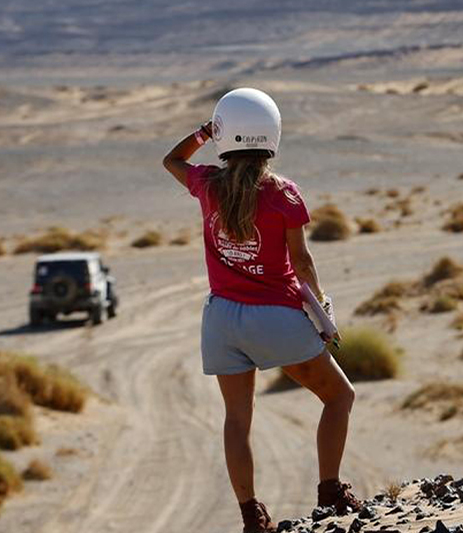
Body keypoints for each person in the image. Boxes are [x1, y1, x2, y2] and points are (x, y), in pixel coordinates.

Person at [162, 88, 362, 533]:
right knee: (339, 396)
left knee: (237, 418)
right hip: (277, 317)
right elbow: (302, 262)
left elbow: (171, 161)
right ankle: (329, 490)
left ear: (223, 135)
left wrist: (201, 134)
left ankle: (252, 515)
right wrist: (323, 312)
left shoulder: (208, 184)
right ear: (271, 135)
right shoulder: (283, 193)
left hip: (222, 320)